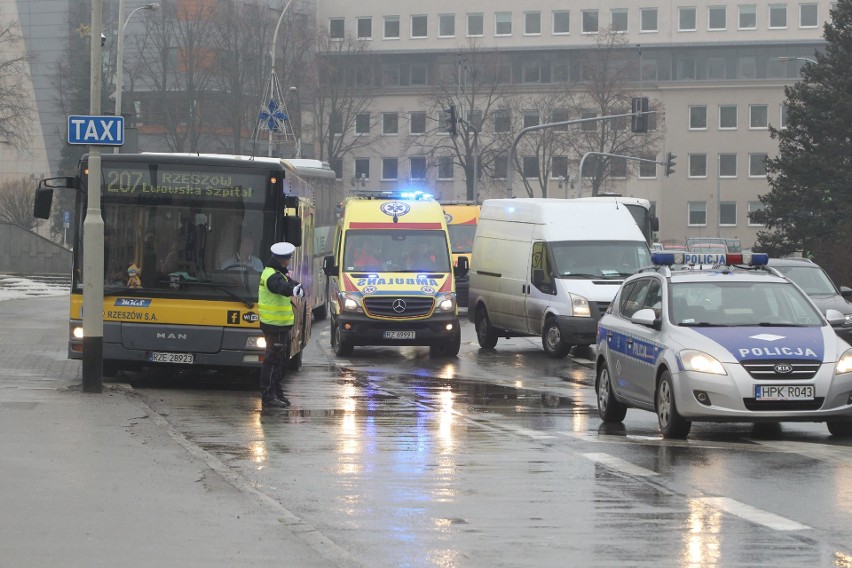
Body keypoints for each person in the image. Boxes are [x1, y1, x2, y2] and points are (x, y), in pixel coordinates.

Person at [257, 241, 304, 410]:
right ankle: (268, 396)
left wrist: (296, 287)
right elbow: (282, 287)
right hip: (274, 325)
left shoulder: (277, 272)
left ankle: (276, 392)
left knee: (280, 361)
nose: (289, 261)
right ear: (283, 260)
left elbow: (289, 283)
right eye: (288, 259)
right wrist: (292, 290)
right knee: (273, 361)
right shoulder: (272, 276)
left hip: (279, 325)